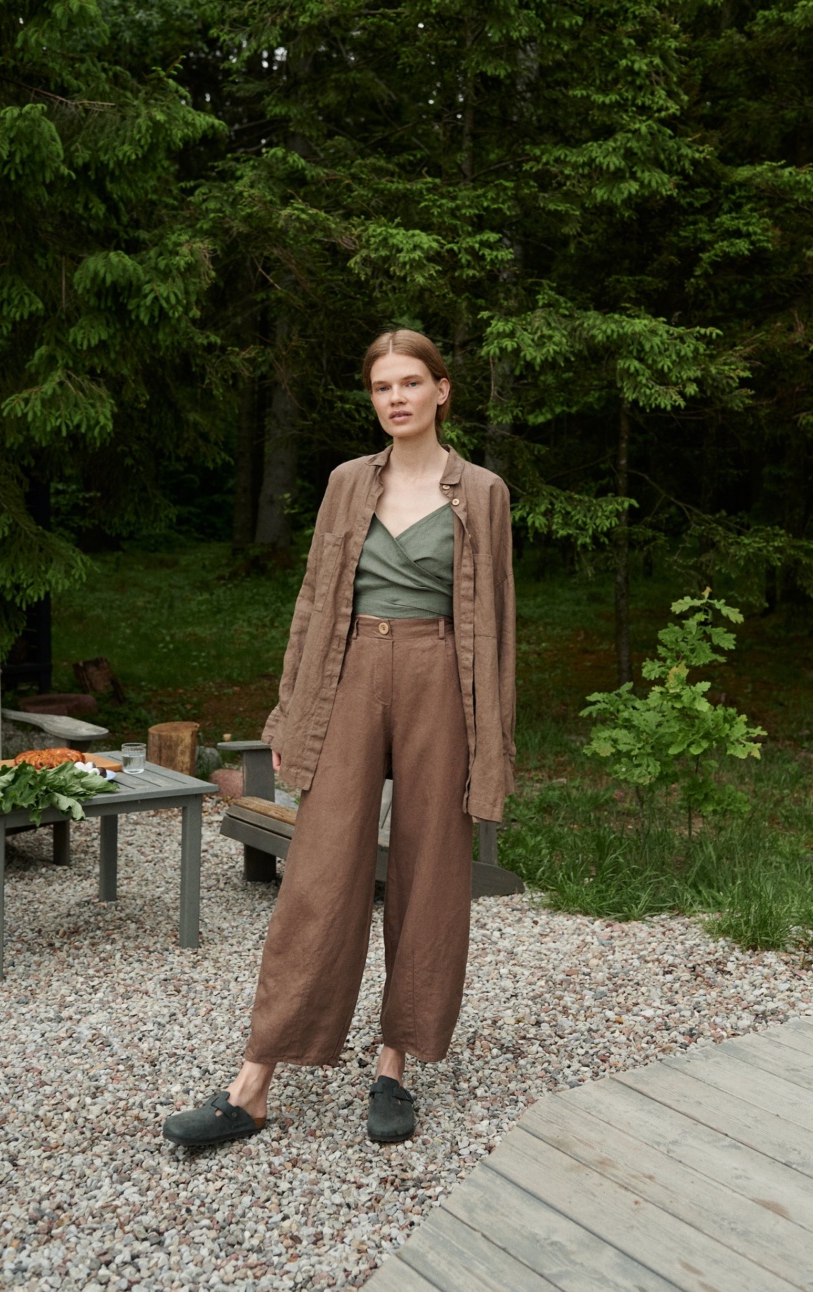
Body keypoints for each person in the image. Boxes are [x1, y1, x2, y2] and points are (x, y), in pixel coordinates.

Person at [163, 328, 516, 1147]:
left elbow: (496, 624)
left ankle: (393, 1067)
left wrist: (492, 743)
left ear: (442, 390)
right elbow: (315, 603)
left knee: (430, 873)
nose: (395, 398)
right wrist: (291, 712)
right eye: (381, 386)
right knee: (320, 877)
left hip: (442, 683)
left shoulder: (484, 493)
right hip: (353, 674)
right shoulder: (347, 483)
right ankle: (251, 1083)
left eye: (409, 383)